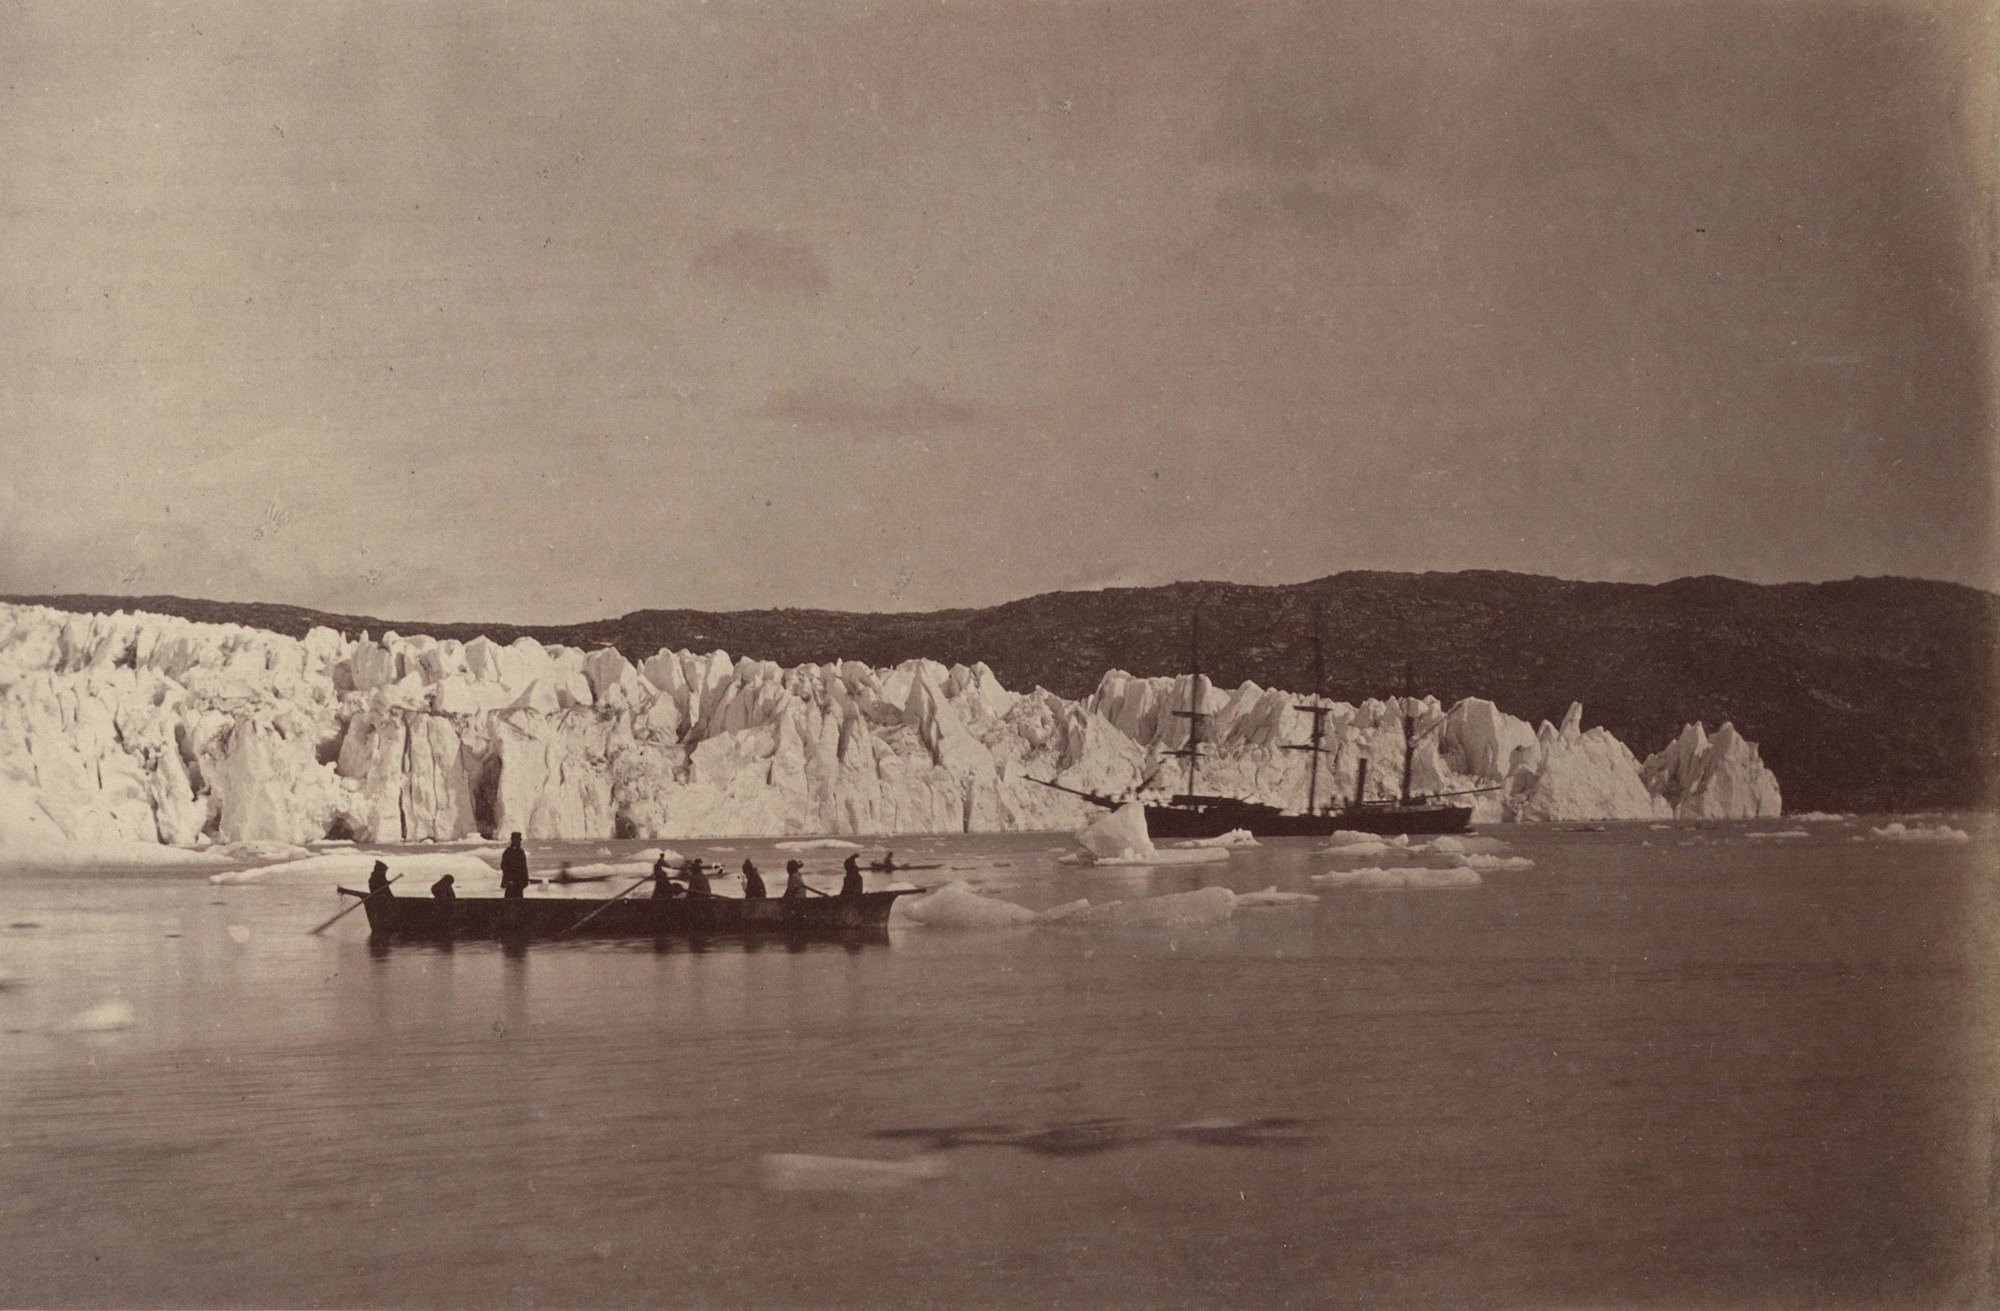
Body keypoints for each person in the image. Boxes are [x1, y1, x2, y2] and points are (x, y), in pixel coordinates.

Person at [500, 833, 530, 899]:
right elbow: (504, 866)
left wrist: (525, 880)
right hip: (511, 882)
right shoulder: (508, 852)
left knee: (518, 900)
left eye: (518, 840)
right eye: (516, 840)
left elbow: (524, 867)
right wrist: (509, 878)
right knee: (510, 900)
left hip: (519, 882)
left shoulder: (521, 852)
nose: (517, 842)